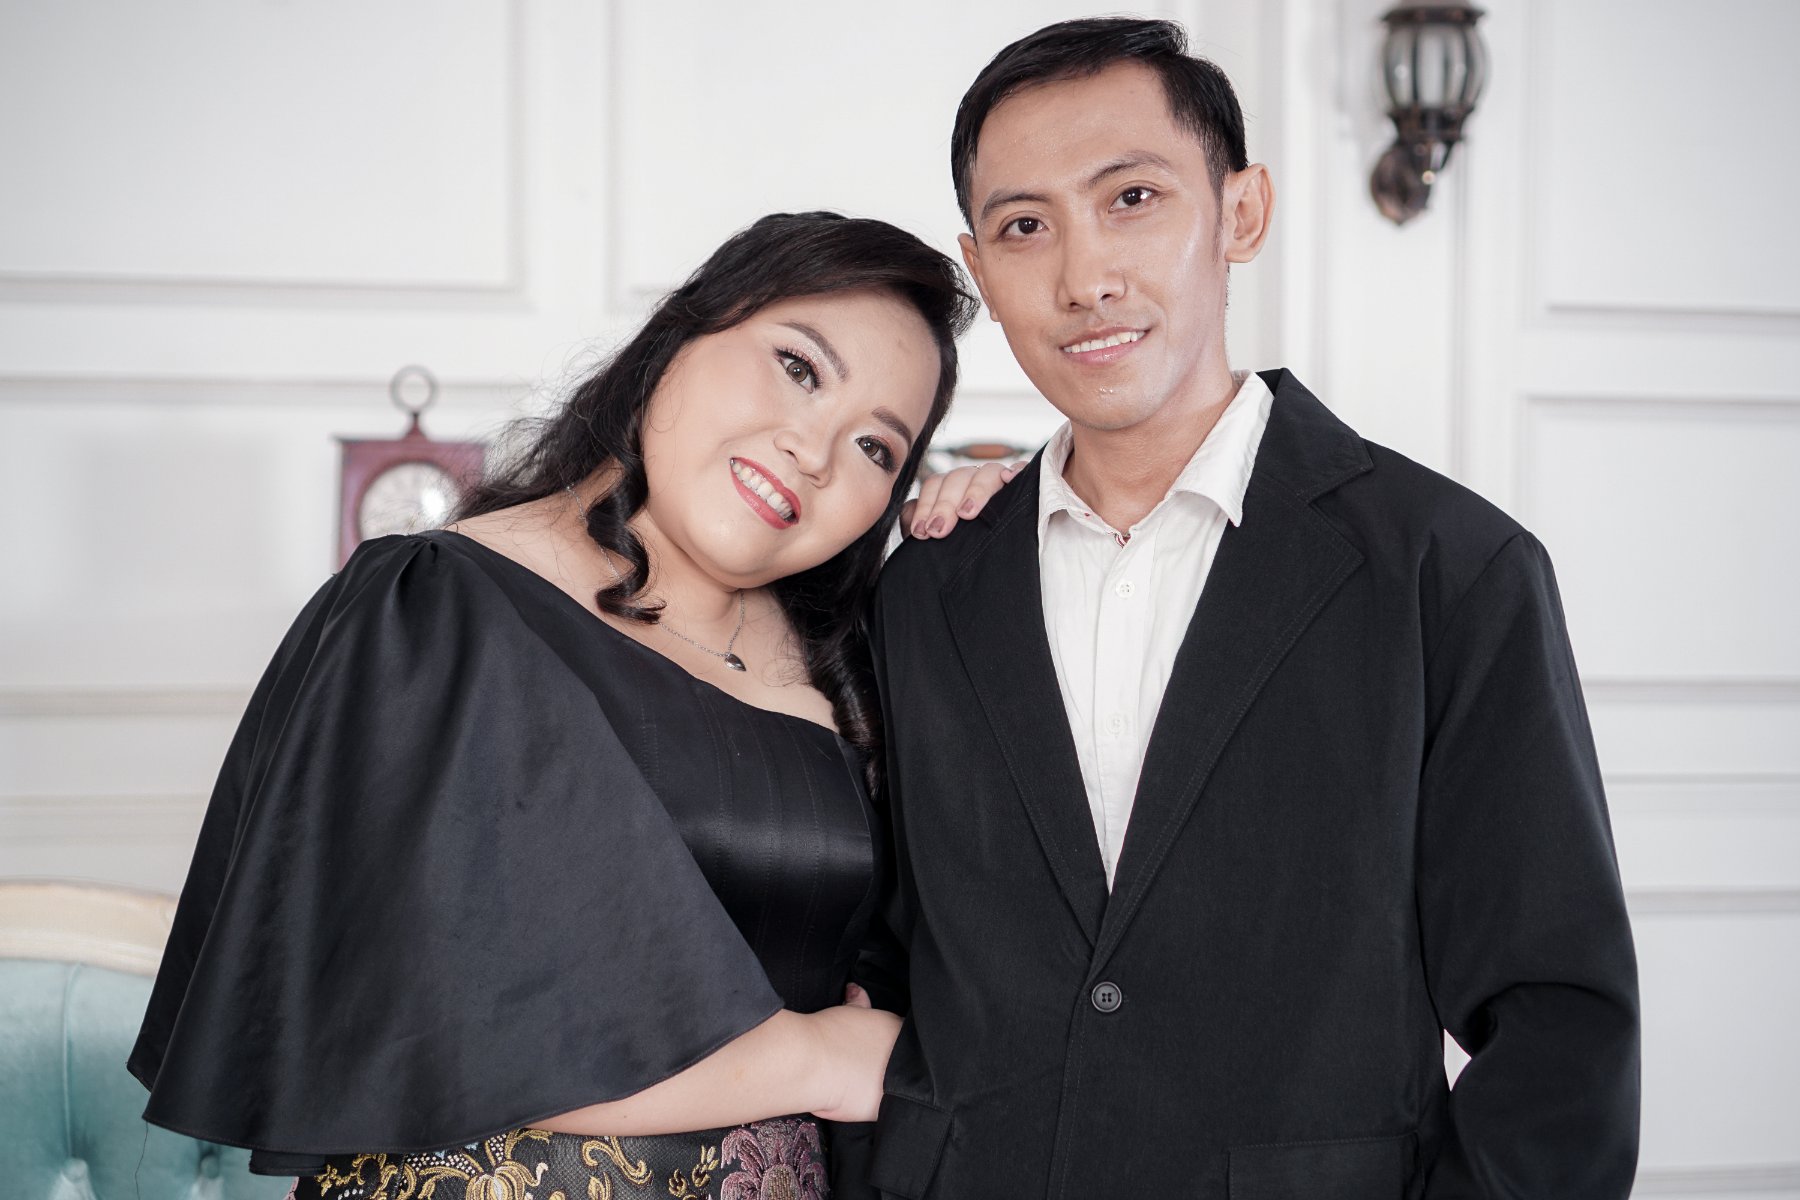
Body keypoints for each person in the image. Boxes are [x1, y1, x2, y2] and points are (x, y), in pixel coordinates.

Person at [861, 18, 1641, 1199]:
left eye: (1132, 199)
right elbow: (879, 957)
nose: (1084, 279)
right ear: (979, 266)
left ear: (1242, 213)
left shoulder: (1449, 570)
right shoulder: (925, 586)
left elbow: (1560, 1032)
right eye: (1026, 227)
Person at [127, 211, 990, 1200]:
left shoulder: (854, 669)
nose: (815, 450)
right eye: (798, 368)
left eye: (877, 447)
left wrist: (998, 517)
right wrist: (815, 1059)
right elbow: (431, 1020)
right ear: (680, 333)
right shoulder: (433, 608)